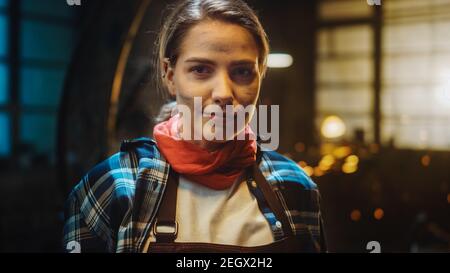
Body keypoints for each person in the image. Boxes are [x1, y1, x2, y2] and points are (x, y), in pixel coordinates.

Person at [62, 0, 326, 253]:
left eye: (243, 72)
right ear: (169, 76)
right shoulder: (114, 186)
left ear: (261, 75)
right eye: (200, 69)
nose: (224, 92)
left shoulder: (294, 187)